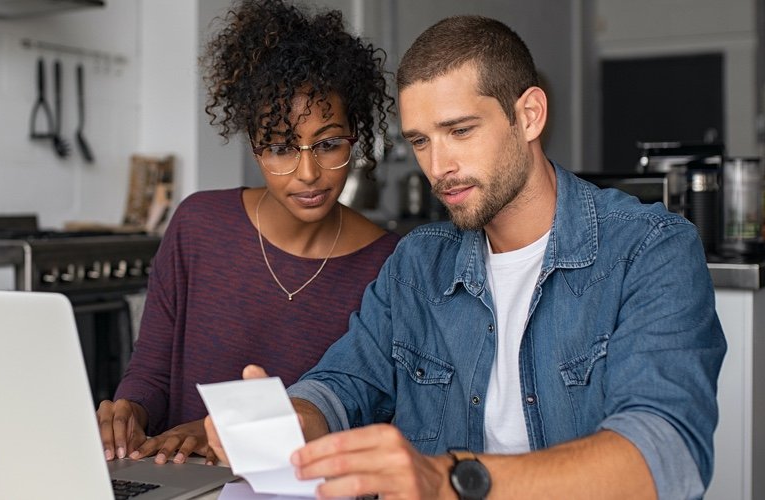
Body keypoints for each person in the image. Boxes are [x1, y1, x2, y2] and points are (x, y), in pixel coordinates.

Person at [206, 14, 727, 499]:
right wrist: (293, 419)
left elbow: (664, 455)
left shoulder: (650, 249)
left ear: (528, 116)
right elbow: (346, 383)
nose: (439, 166)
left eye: (460, 131)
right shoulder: (417, 264)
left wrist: (449, 480)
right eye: (420, 140)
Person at [96, 0, 399, 466]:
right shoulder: (198, 225)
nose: (307, 173)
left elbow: (366, 416)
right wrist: (129, 411)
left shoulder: (389, 266)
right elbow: (151, 373)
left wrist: (221, 433)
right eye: (280, 147)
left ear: (355, 137)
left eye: (328, 144)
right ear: (254, 147)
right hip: (180, 481)